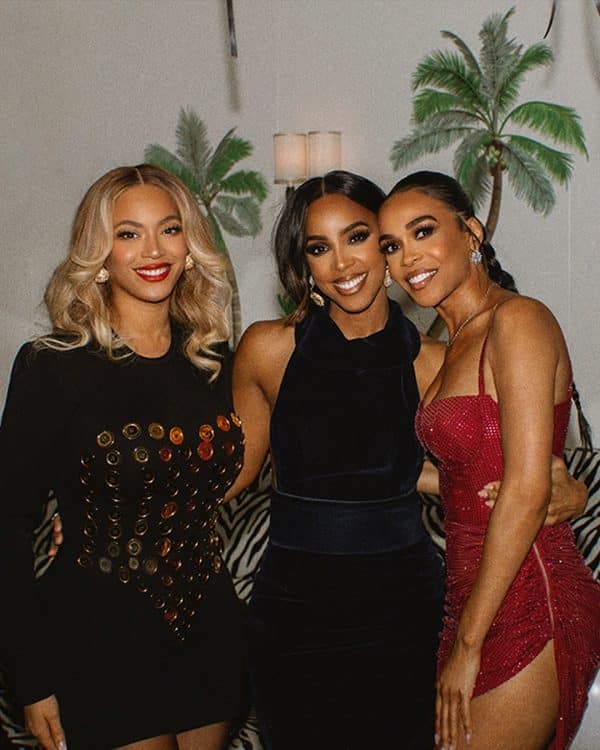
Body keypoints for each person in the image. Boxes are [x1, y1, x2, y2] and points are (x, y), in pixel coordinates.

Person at [230, 171, 588, 750]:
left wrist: (565, 488)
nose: (343, 263)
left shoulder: (438, 360)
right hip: (294, 613)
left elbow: (506, 476)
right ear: (304, 264)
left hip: (409, 610)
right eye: (319, 247)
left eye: (361, 238)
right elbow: (237, 470)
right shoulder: (267, 349)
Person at [0, 164, 245, 750]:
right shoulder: (52, 365)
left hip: (210, 633)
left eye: (169, 229)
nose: (153, 250)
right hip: (99, 641)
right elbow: (6, 525)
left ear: (189, 245)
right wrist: (30, 680)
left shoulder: (212, 359)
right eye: (128, 233)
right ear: (100, 254)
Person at [378, 170, 600, 750]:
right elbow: (464, 477)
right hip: (470, 592)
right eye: (392, 246)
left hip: (529, 589)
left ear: (472, 232)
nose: (407, 258)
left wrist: (468, 646)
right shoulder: (450, 346)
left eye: (423, 232)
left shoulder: (518, 320)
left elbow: (525, 492)